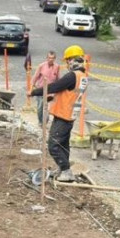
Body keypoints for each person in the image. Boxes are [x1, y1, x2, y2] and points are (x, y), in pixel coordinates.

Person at [28, 45, 88, 182]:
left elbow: (55, 86)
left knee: (53, 145)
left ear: (73, 60)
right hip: (70, 115)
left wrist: (34, 92)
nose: (67, 64)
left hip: (63, 115)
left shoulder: (72, 76)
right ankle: (63, 170)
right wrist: (52, 98)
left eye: (67, 60)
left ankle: (66, 171)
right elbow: (69, 94)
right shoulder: (82, 76)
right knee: (63, 145)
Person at [30, 50, 61, 125]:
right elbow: (35, 77)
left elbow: (58, 79)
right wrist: (31, 89)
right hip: (40, 90)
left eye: (52, 58)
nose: (51, 59)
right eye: (49, 58)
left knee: (47, 107)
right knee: (40, 107)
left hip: (50, 91)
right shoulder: (41, 66)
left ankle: (45, 122)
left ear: (55, 59)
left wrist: (58, 90)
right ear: (47, 58)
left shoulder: (57, 67)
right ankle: (41, 122)